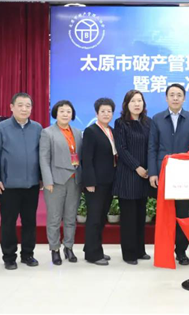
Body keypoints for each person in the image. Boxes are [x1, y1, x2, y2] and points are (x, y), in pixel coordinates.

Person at [0, 92, 43, 270]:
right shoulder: (1, 128)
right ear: (11, 107)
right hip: (8, 185)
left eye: (28, 105)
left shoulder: (37, 128)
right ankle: (9, 257)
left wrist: (42, 178)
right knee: (8, 223)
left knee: (29, 222)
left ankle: (28, 254)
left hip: (32, 185)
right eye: (20, 105)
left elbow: (42, 155)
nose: (24, 109)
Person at [148, 83, 189, 265]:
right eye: (172, 95)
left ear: (184, 98)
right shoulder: (157, 118)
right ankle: (165, 250)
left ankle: (181, 251)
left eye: (179, 95)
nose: (175, 98)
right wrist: (153, 173)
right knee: (165, 215)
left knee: (182, 215)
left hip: (185, 174)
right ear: (166, 98)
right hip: (163, 172)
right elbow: (152, 147)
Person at [39, 100, 82, 266]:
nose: (65, 114)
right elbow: (44, 158)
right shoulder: (47, 132)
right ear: (55, 113)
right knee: (54, 218)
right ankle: (55, 249)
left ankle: (68, 247)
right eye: (62, 111)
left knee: (71, 217)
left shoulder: (77, 132)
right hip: (55, 181)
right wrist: (47, 180)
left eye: (68, 111)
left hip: (75, 180)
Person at [113, 90, 152, 265]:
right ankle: (129, 254)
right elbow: (121, 149)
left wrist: (149, 168)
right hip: (128, 175)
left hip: (144, 176)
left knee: (140, 216)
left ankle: (140, 250)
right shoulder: (121, 123)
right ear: (126, 104)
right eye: (133, 101)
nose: (137, 104)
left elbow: (151, 147)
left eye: (139, 101)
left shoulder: (148, 123)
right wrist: (137, 167)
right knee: (129, 218)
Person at [81, 98, 117, 266]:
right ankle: (93, 255)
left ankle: (93, 248)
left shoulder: (111, 131)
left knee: (101, 218)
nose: (106, 114)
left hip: (108, 181)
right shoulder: (91, 131)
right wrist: (89, 182)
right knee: (94, 218)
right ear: (97, 113)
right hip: (95, 183)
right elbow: (86, 159)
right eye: (103, 111)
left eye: (109, 111)